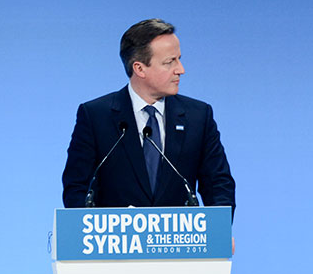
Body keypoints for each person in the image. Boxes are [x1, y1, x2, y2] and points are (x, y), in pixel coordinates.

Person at [62, 19, 235, 210]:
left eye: (179, 59)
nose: (181, 70)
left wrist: (219, 232)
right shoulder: (96, 116)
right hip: (117, 239)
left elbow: (219, 185)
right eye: (170, 62)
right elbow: (77, 188)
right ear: (139, 68)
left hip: (179, 239)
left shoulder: (198, 117)